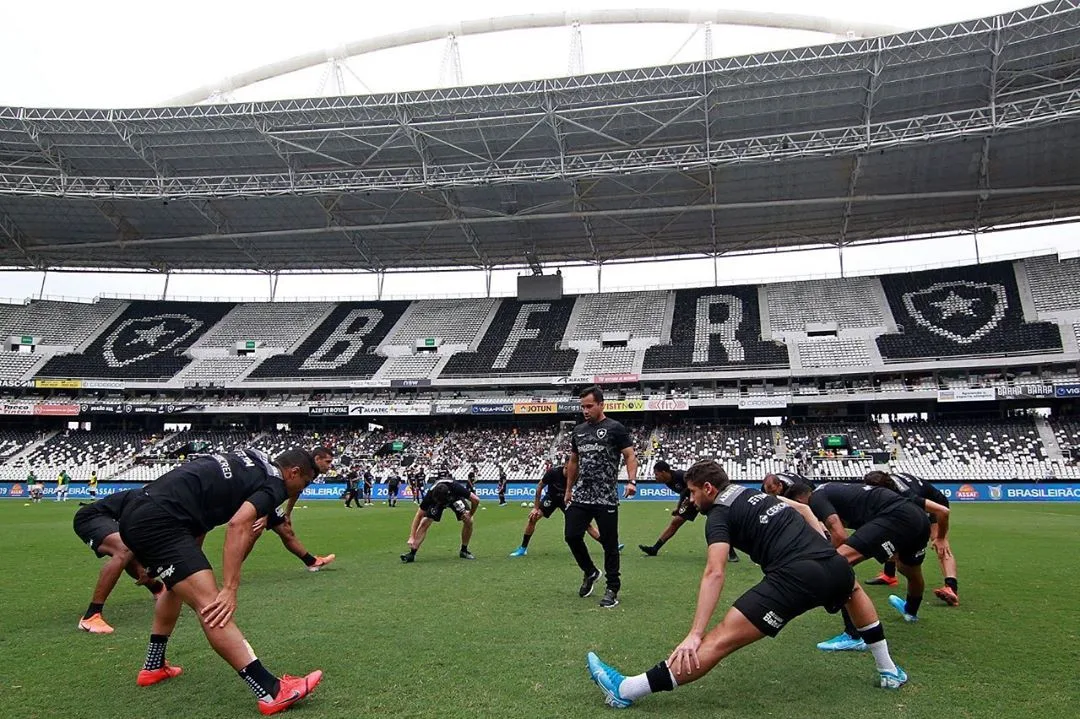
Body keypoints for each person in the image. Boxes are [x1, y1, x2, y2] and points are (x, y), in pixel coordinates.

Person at [586, 461, 906, 709]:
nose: (691, 500)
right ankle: (889, 670)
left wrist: (695, 632)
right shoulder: (751, 492)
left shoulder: (718, 515)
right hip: (833, 565)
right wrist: (821, 538)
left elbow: (714, 571)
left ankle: (626, 690)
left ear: (708, 488)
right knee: (853, 591)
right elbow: (804, 507)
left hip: (792, 578)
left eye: (693, 493)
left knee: (719, 639)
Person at [117, 448, 323, 715]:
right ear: (293, 472)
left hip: (143, 511)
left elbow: (205, 496)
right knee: (212, 604)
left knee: (176, 589)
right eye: (304, 483)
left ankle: (153, 666)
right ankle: (271, 692)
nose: (300, 490)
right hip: (162, 521)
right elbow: (238, 525)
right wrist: (230, 588)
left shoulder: (254, 458)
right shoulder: (275, 481)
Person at [788, 481, 948, 652]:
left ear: (800, 500)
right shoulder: (838, 491)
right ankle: (911, 612)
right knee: (909, 570)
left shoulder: (816, 497)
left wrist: (825, 557)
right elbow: (943, 511)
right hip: (918, 520)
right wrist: (941, 537)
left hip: (895, 518)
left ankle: (853, 635)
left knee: (836, 565)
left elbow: (839, 534)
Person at [564, 386, 636, 608]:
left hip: (605, 497)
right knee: (572, 536)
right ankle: (590, 571)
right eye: (582, 407)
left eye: (589, 406)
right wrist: (568, 489)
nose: (585, 410)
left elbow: (630, 455)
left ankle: (612, 587)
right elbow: (574, 461)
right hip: (582, 496)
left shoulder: (615, 428)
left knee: (610, 544)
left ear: (601, 404)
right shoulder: (578, 431)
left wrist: (631, 481)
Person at [73, 488, 166, 634]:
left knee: (129, 553)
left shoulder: (166, 503)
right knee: (124, 549)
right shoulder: (149, 499)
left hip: (115, 522)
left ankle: (158, 589)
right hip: (91, 517)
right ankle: (91, 616)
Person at [863, 471, 959, 605]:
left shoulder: (906, 495)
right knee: (891, 532)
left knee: (939, 542)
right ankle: (889, 575)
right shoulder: (887, 484)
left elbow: (942, 511)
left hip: (935, 505)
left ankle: (951, 587)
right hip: (916, 500)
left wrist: (941, 538)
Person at [639, 461, 739, 563]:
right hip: (690, 501)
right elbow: (683, 494)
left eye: (656, 474)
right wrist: (679, 508)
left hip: (701, 497)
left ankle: (731, 552)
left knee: (715, 523)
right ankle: (655, 548)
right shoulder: (667, 481)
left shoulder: (680, 475)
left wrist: (680, 507)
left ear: (664, 472)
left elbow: (692, 487)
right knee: (675, 523)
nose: (655, 477)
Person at [509, 465, 614, 557]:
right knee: (533, 518)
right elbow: (540, 486)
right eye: (572, 469)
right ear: (565, 466)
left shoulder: (576, 475)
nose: (574, 472)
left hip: (566, 500)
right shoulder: (553, 473)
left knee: (586, 524)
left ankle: (609, 545)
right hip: (551, 498)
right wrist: (536, 508)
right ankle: (523, 549)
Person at [400, 477, 480, 563]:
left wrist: (470, 514)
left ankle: (464, 550)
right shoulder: (431, 494)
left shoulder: (456, 487)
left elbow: (475, 500)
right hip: (437, 500)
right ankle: (412, 553)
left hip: (454, 498)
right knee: (425, 521)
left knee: (469, 521)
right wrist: (411, 536)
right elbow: (419, 515)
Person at [254, 505, 336, 572]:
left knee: (286, 531)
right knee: (253, 533)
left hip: (268, 500)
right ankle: (240, 565)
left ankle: (312, 562)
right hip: (253, 495)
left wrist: (287, 513)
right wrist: (264, 515)